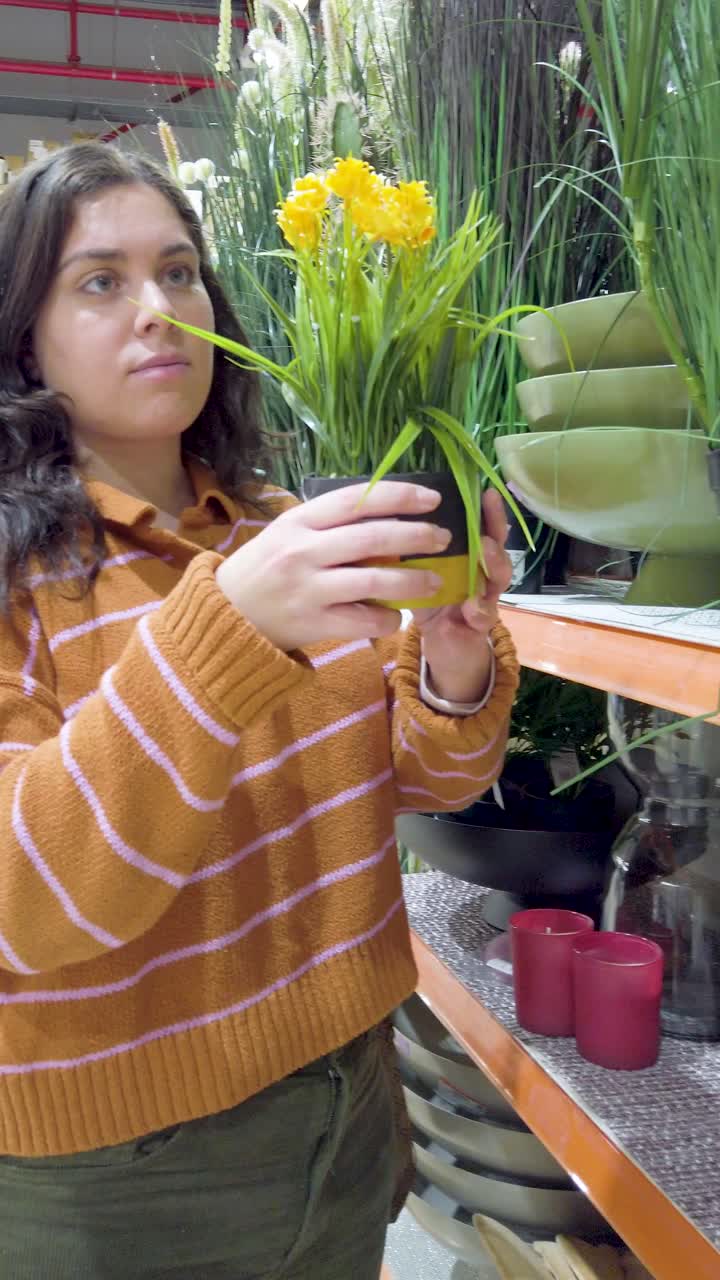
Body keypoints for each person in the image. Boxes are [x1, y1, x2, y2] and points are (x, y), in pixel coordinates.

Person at [0, 143, 518, 1279]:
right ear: (22, 333)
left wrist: (452, 663)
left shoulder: (283, 522)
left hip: (349, 1102)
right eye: (101, 280)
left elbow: (421, 783)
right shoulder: (21, 576)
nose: (159, 310)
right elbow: (29, 901)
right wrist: (228, 625)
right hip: (124, 1168)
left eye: (180, 272)